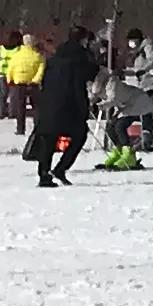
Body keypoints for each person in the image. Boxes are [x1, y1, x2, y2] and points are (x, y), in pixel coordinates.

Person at [29, 26, 96, 187]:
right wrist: (84, 109)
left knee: (49, 139)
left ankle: (44, 174)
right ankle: (60, 168)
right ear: (83, 40)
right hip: (69, 105)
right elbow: (81, 83)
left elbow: (44, 81)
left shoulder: (54, 58)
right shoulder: (80, 58)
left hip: (49, 103)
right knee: (79, 135)